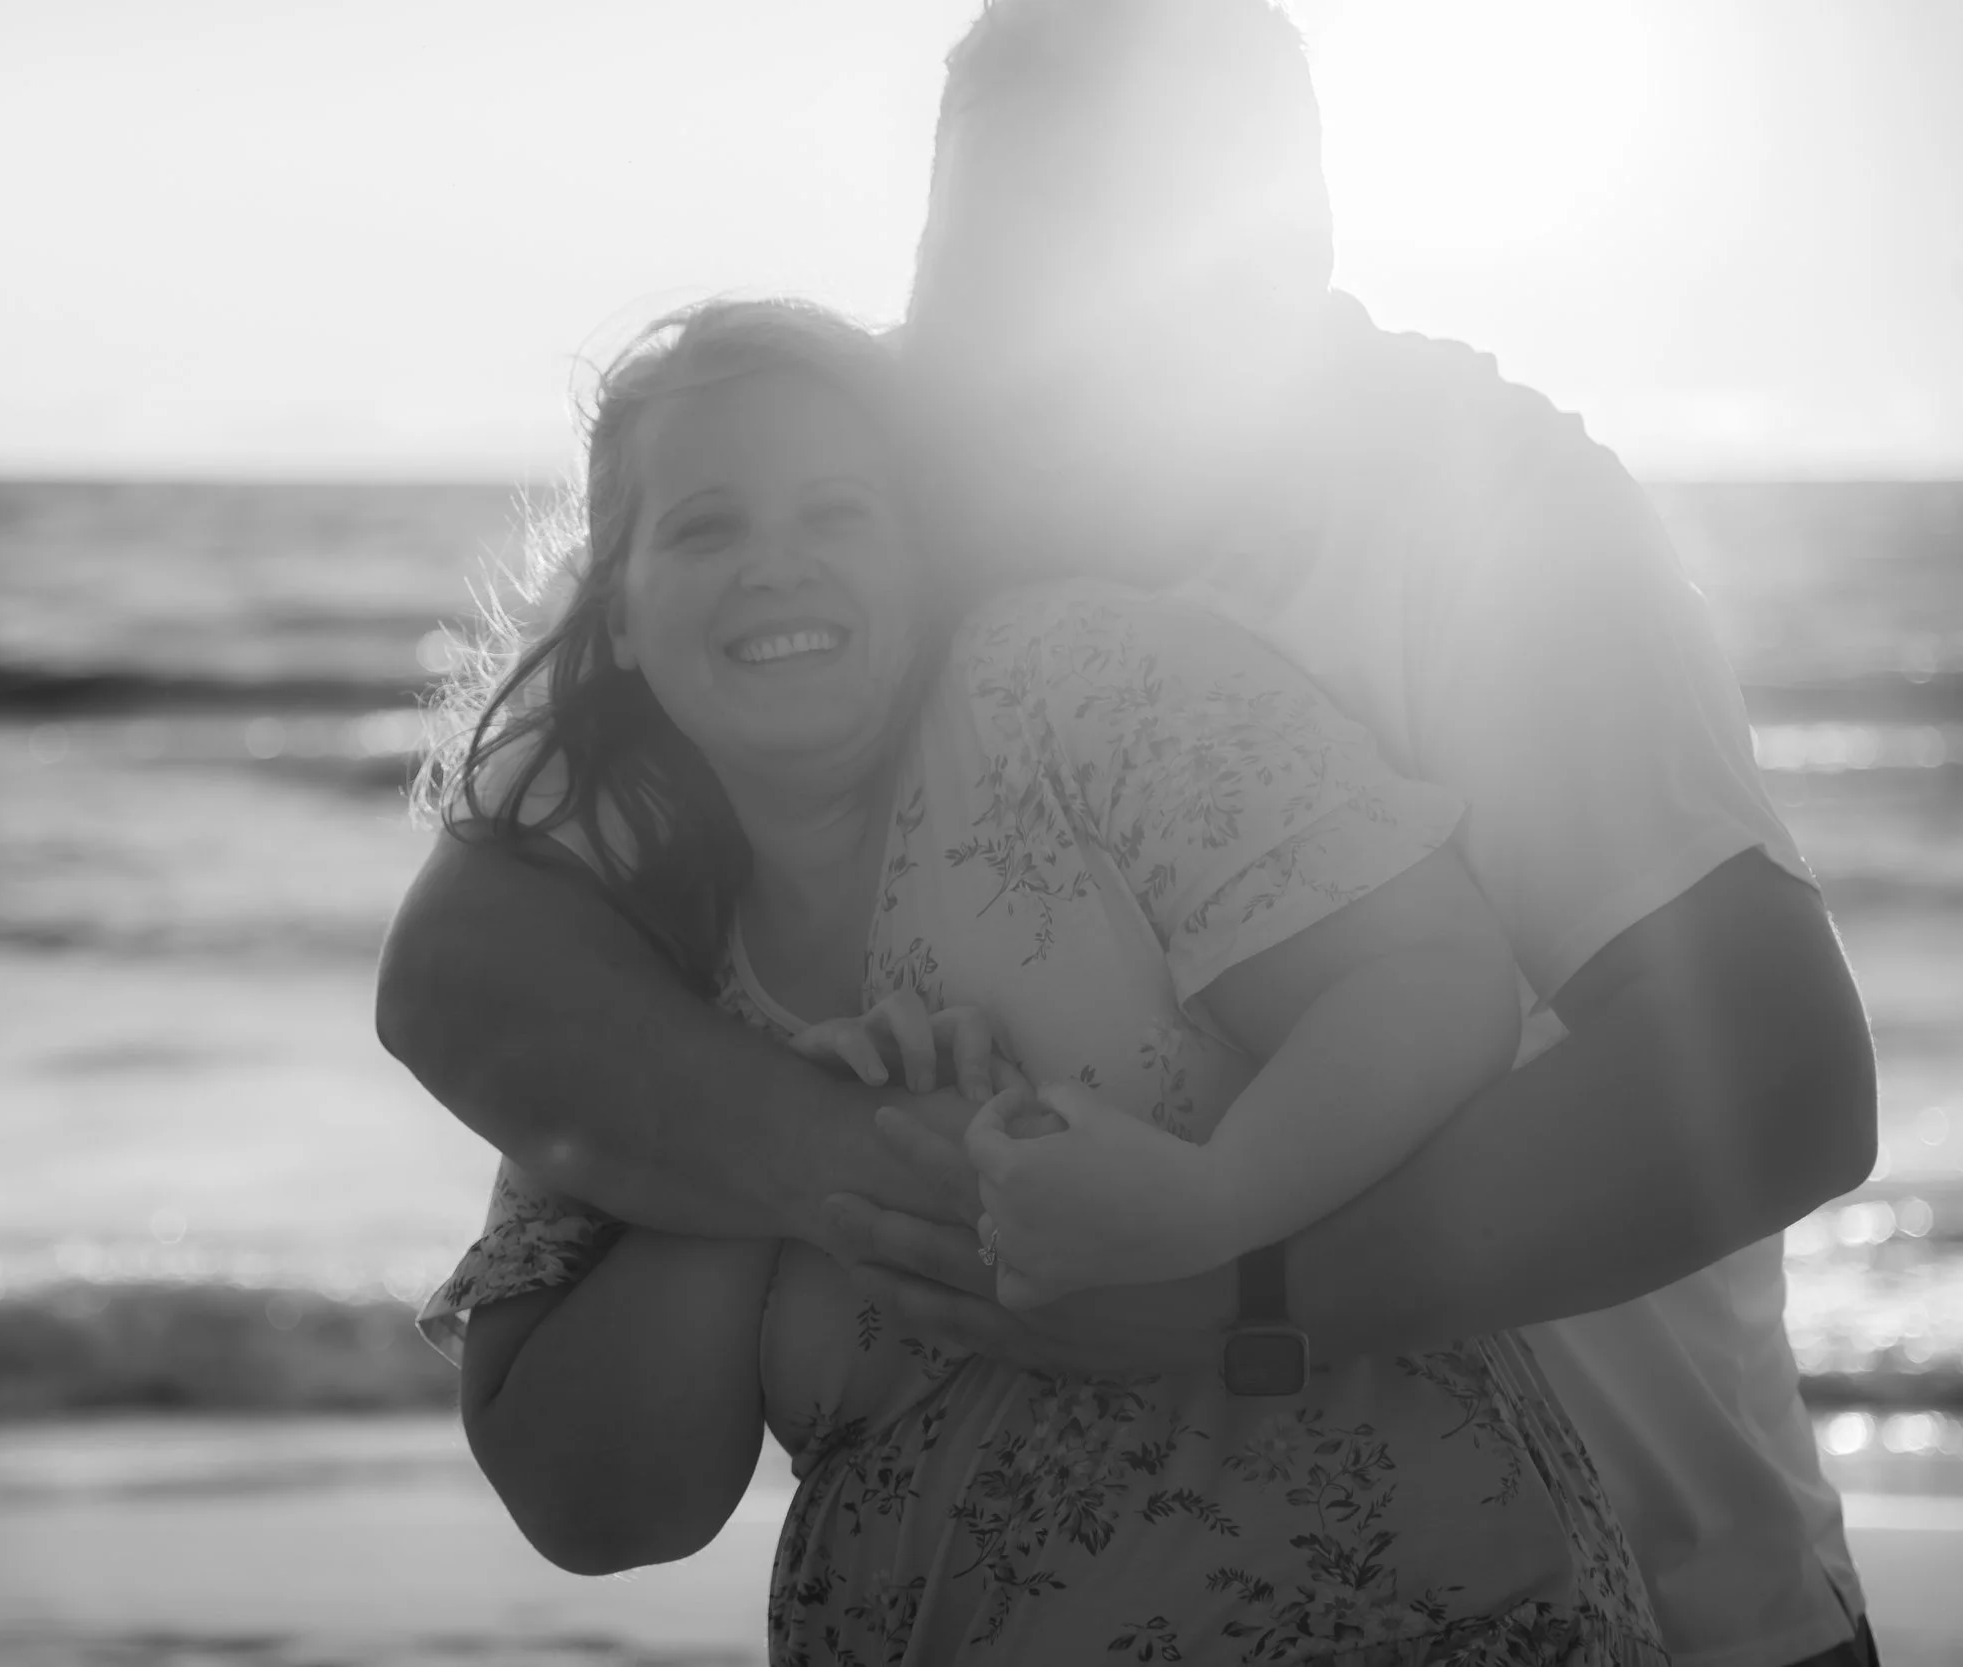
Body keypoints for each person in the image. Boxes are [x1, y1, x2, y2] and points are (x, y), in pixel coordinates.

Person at [378, 4, 1880, 1665]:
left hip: (1654, 1597)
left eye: (1106, 278)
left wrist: (1237, 1297)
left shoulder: (1488, 515)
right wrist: (852, 1161)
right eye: (977, 278)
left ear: (1289, 258)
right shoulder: (856, 506)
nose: (1020, 358)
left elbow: (1776, 1074)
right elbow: (465, 963)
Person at [419, 296, 1663, 1661]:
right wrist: (766, 1159)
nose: (777, 566)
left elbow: (1434, 976)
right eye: (707, 527)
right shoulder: (624, 945)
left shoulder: (1072, 690)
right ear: (620, 611)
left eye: (838, 513)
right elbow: (595, 1506)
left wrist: (1216, 1203)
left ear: (921, 560)